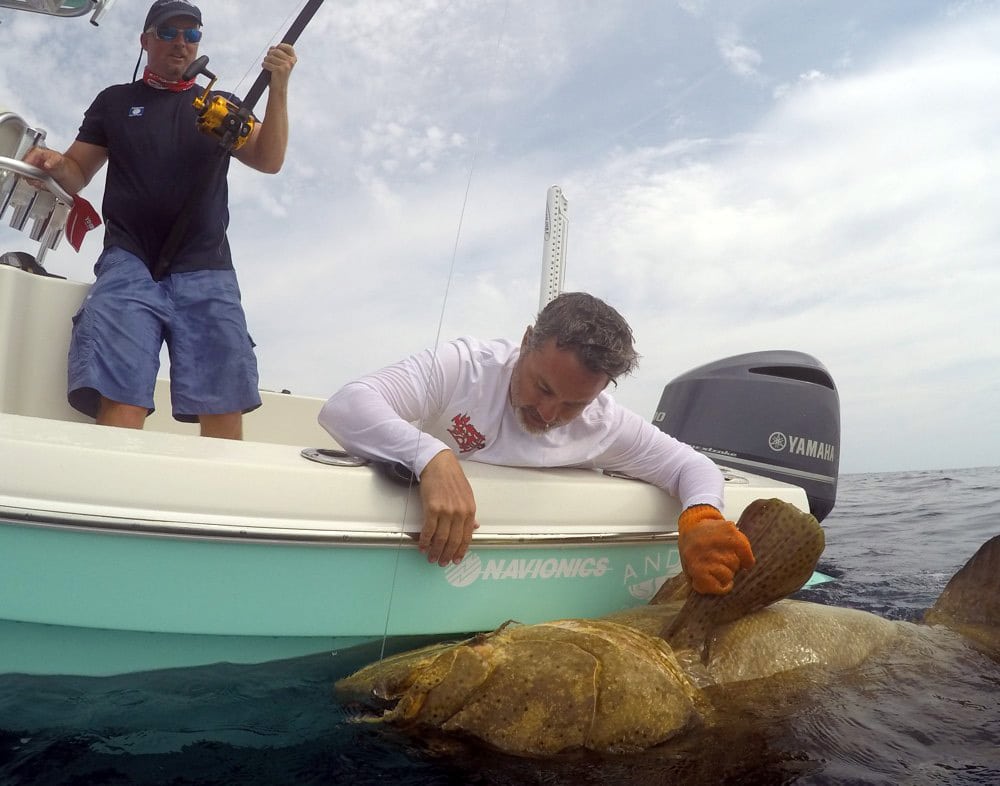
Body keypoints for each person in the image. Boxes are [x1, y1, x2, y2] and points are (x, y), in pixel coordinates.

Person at [319, 292, 755, 595]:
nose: (548, 414)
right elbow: (347, 406)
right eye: (542, 387)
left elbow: (691, 467)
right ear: (526, 341)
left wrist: (701, 517)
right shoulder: (465, 367)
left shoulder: (603, 422)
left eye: (573, 404)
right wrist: (431, 456)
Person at [25, 0, 297, 439]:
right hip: (129, 261)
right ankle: (111, 498)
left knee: (223, 401)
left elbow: (269, 159)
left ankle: (213, 502)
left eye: (192, 36)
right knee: (121, 395)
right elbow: (76, 171)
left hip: (207, 265)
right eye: (169, 32)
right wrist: (54, 163)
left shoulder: (220, 108)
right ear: (145, 40)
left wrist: (279, 85)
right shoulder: (115, 102)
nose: (181, 44)